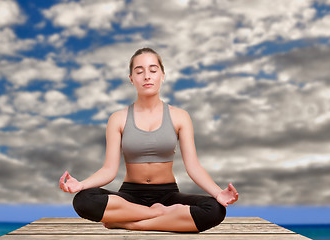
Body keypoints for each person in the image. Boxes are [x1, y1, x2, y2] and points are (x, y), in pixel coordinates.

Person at [59, 47, 239, 232]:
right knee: (83, 200)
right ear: (131, 79)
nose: (147, 76)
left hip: (168, 194)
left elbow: (193, 166)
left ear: (162, 75)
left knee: (215, 209)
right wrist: (82, 184)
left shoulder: (180, 116)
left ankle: (125, 223)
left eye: (153, 70)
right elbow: (109, 170)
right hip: (130, 196)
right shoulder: (118, 118)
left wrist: (218, 193)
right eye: (139, 71)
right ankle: (160, 216)